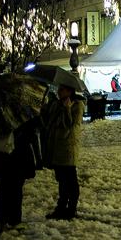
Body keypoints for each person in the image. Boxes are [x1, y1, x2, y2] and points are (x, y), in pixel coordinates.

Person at [0, 115, 41, 234]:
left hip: (1, 155)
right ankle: (14, 220)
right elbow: (32, 134)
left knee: (3, 189)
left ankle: (2, 220)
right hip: (18, 156)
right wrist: (38, 158)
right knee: (15, 189)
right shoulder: (23, 113)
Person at [43, 84, 85, 220]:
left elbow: (70, 125)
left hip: (68, 147)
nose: (59, 91)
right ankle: (61, 208)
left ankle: (71, 209)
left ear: (69, 90)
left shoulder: (77, 105)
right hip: (56, 147)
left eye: (62, 89)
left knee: (70, 180)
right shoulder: (56, 104)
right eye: (59, 89)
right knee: (61, 180)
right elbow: (49, 122)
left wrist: (67, 108)